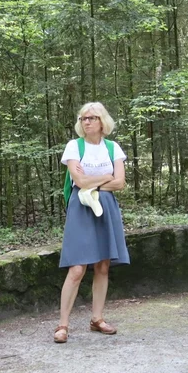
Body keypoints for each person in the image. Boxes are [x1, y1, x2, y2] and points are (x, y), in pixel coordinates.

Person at [54, 102, 130, 344]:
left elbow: (120, 184)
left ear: (102, 122)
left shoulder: (112, 148)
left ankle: (97, 319)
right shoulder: (73, 147)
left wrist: (92, 180)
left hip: (106, 208)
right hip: (81, 207)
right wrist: (105, 177)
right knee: (77, 268)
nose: (86, 121)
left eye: (92, 117)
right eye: (83, 118)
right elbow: (78, 181)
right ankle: (62, 325)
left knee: (103, 265)